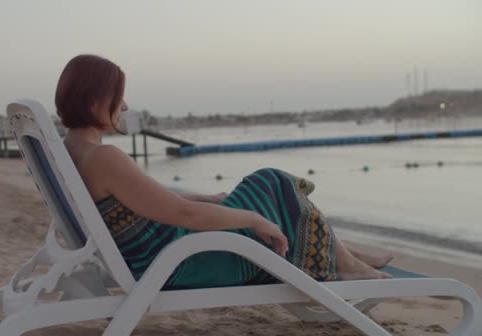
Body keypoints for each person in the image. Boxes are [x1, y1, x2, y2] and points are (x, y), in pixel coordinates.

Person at [56, 54, 392, 289]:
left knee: (265, 187)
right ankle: (346, 263)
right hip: (179, 261)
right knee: (272, 183)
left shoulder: (71, 151)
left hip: (156, 254)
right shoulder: (104, 158)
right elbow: (183, 214)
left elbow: (141, 202)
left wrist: (206, 197)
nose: (125, 106)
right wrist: (253, 220)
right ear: (94, 102)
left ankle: (344, 252)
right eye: (119, 96)